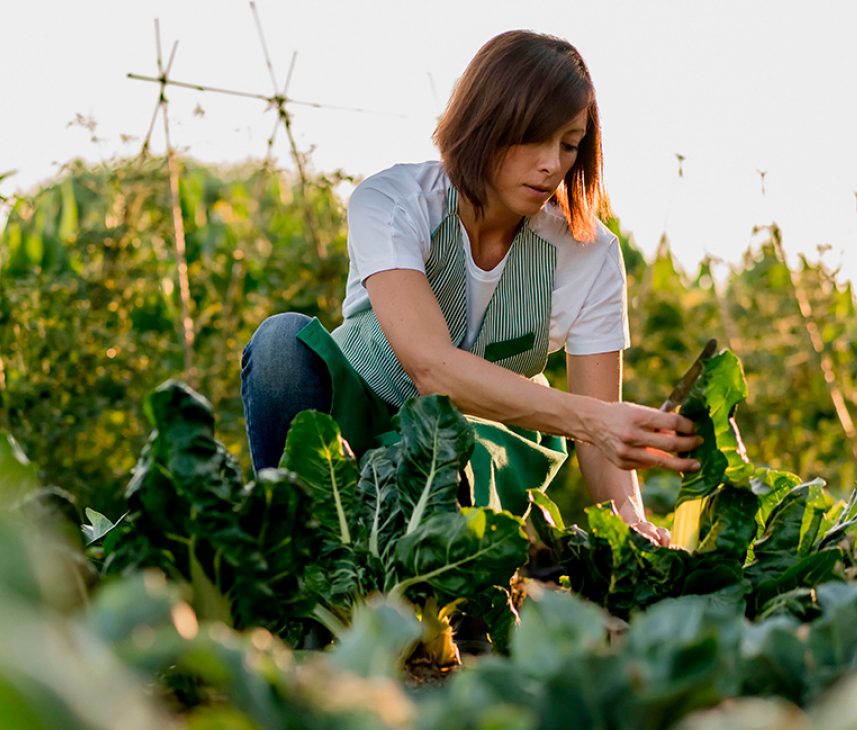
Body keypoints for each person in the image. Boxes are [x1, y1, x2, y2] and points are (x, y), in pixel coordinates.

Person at [241, 29, 701, 546]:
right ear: (486, 123)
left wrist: (631, 521)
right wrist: (597, 421)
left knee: (457, 444)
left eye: (569, 146)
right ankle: (292, 547)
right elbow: (431, 366)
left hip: (478, 452)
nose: (552, 164)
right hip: (359, 412)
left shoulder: (590, 254)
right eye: (535, 138)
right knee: (281, 342)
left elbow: (601, 443)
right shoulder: (394, 201)